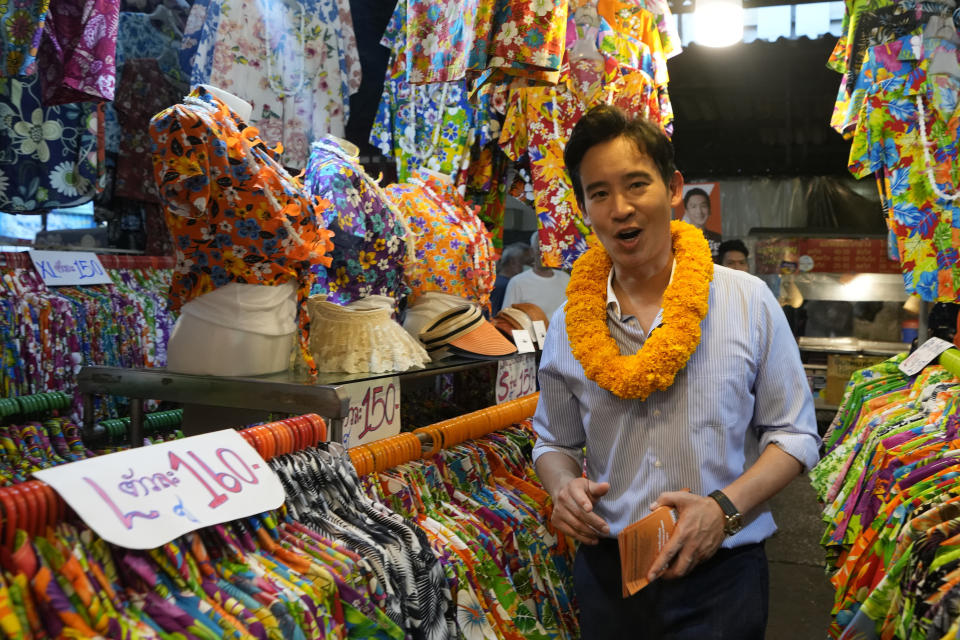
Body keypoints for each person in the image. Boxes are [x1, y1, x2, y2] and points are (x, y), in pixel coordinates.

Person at [532, 104, 819, 639]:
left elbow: (795, 435)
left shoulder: (748, 302)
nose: (620, 208)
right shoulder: (566, 325)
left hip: (723, 575)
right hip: (608, 573)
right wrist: (562, 488)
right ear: (584, 208)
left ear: (673, 189)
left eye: (636, 184)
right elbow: (553, 440)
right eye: (599, 193)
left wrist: (723, 510)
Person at [501, 231, 571, 317]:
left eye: (550, 248)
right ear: (531, 251)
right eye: (541, 248)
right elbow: (507, 318)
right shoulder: (517, 282)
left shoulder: (565, 279)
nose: (546, 253)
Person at [491, 242, 533, 315]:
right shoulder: (506, 285)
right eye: (527, 263)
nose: (531, 267)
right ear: (513, 262)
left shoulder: (496, 281)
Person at [681, 187, 721, 258]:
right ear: (686, 211)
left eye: (703, 206)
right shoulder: (680, 239)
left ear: (709, 209)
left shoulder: (718, 238)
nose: (699, 211)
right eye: (693, 206)